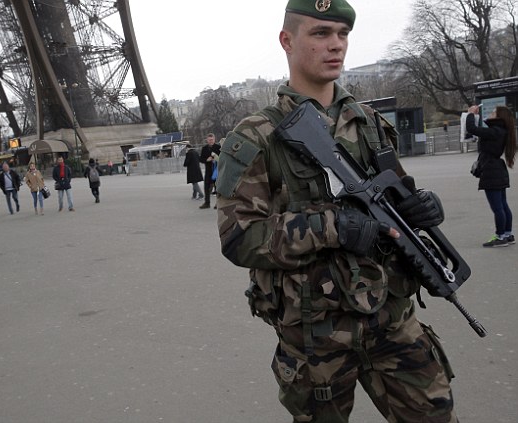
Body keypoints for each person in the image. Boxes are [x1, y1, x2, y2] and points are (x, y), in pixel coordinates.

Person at [216, 1, 456, 421]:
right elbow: (240, 238)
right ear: (287, 41)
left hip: (392, 319)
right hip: (314, 337)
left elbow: (394, 196)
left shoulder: (369, 122)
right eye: (321, 33)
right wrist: (331, 227)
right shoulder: (256, 136)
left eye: (342, 35)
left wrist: (420, 208)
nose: (336, 46)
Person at [466, 104, 516, 247]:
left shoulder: (495, 131)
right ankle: (507, 234)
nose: (490, 113)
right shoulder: (500, 131)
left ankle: (500, 237)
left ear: (499, 117)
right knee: (503, 205)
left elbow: (472, 129)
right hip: (498, 170)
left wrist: (470, 114)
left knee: (497, 208)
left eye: (493, 112)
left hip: (491, 172)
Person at [199, 133, 221, 209]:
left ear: (214, 139)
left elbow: (222, 158)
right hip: (208, 171)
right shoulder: (204, 148)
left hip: (216, 170)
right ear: (207, 140)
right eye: (209, 140)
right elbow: (201, 159)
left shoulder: (218, 147)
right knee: (206, 187)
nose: (211, 141)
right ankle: (207, 203)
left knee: (217, 188)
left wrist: (216, 160)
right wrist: (206, 160)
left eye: (212, 140)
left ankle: (218, 203)